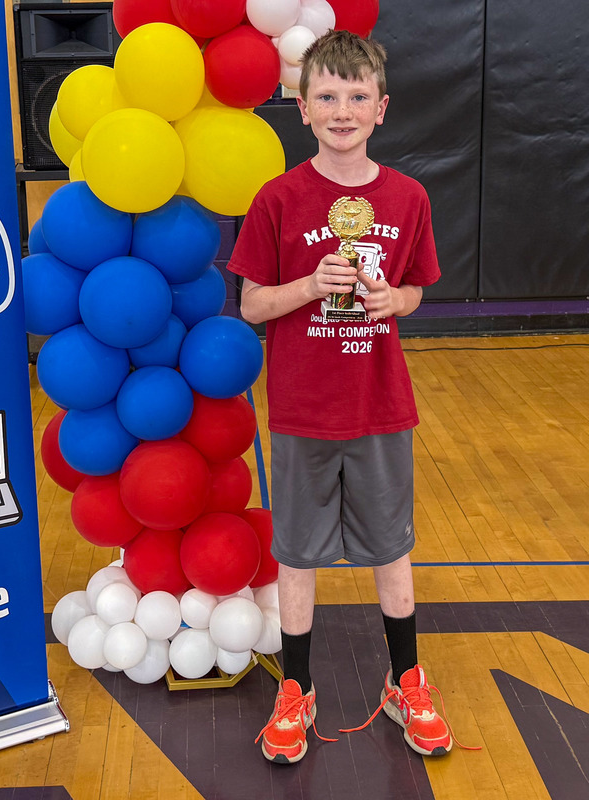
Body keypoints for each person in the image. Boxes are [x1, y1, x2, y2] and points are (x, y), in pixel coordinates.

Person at [227, 29, 451, 765]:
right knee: (297, 553)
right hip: (301, 410)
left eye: (358, 96)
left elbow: (418, 287)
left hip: (382, 403)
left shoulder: (408, 196)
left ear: (382, 108)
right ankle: (298, 689)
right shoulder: (279, 198)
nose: (343, 109)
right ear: (302, 107)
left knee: (393, 549)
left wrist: (395, 300)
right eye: (328, 95)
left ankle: (405, 681)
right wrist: (310, 286)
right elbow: (254, 305)